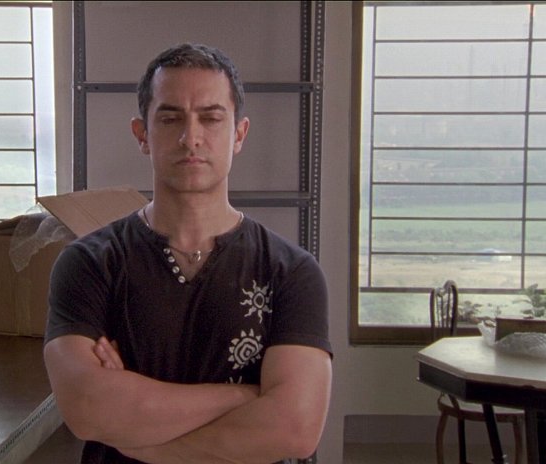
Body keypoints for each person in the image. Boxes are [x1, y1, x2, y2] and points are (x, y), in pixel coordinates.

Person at [43, 42, 333, 464]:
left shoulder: (291, 272)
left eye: (211, 118)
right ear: (142, 134)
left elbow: (294, 429)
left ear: (239, 134)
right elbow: (87, 408)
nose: (190, 137)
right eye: (170, 118)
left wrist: (143, 438)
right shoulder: (90, 264)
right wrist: (248, 396)